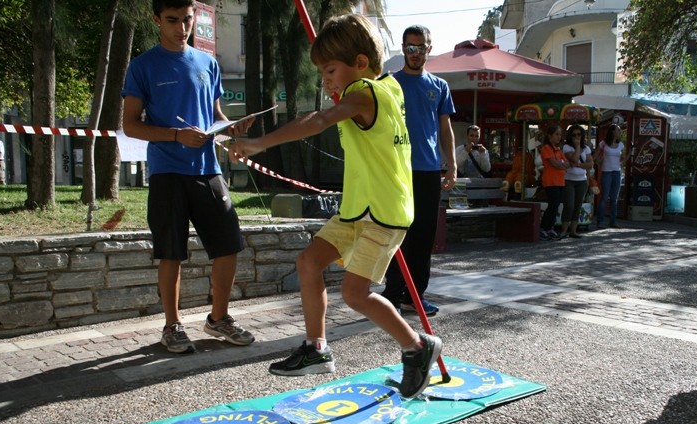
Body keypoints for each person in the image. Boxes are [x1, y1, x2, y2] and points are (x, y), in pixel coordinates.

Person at [229, 14, 442, 399]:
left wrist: (259, 143)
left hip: (384, 215)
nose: (325, 81)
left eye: (330, 71)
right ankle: (316, 348)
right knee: (309, 262)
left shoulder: (364, 93)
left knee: (355, 294)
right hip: (359, 209)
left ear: (360, 63)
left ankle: (417, 347)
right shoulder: (388, 88)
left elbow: (319, 120)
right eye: (322, 72)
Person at [121, 0, 255, 354]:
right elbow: (130, 125)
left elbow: (215, 116)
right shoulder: (142, 66)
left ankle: (219, 319)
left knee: (229, 245)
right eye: (172, 20)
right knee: (171, 253)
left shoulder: (208, 63)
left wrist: (231, 128)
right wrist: (176, 135)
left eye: (187, 20)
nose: (182, 28)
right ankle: (172, 326)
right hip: (167, 171)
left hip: (208, 169)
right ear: (157, 20)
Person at [380, 24, 457, 318]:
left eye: (420, 47)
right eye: (410, 47)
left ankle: (415, 297)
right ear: (403, 48)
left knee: (424, 236)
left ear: (429, 48)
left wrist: (452, 164)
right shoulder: (388, 83)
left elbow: (445, 129)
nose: (415, 53)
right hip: (397, 170)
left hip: (428, 171)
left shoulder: (439, 86)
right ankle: (392, 295)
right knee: (399, 234)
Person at [560, 124, 593, 238]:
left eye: (579, 134)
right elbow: (573, 158)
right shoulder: (566, 147)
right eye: (574, 135)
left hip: (581, 180)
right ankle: (564, 230)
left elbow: (590, 164)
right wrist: (577, 146)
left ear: (582, 135)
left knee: (578, 206)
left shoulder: (586, 148)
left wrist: (578, 165)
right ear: (570, 136)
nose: (576, 137)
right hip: (568, 180)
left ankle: (573, 231)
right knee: (569, 205)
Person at [539, 124, 569, 240]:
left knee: (555, 206)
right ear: (550, 136)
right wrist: (561, 164)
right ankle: (543, 228)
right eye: (556, 134)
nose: (559, 137)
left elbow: (567, 164)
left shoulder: (558, 150)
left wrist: (561, 164)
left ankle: (549, 227)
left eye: (560, 135)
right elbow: (554, 164)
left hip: (560, 181)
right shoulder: (546, 148)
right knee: (553, 205)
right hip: (551, 181)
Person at [594, 123, 627, 229]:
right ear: (612, 131)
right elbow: (595, 156)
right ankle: (600, 221)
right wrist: (599, 162)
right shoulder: (603, 143)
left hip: (617, 172)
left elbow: (622, 159)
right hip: (607, 172)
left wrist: (629, 154)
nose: (620, 132)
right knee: (604, 196)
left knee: (614, 198)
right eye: (618, 130)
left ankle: (613, 221)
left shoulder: (621, 144)